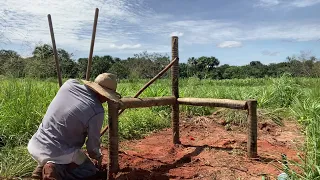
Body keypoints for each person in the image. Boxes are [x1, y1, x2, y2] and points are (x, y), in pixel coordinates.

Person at [27, 73, 121, 179]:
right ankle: (54, 170)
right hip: (57, 151)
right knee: (89, 170)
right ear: (103, 94)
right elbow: (92, 146)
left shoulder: (69, 85)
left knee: (66, 155)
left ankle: (41, 170)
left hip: (36, 143)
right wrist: (97, 156)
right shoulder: (97, 111)